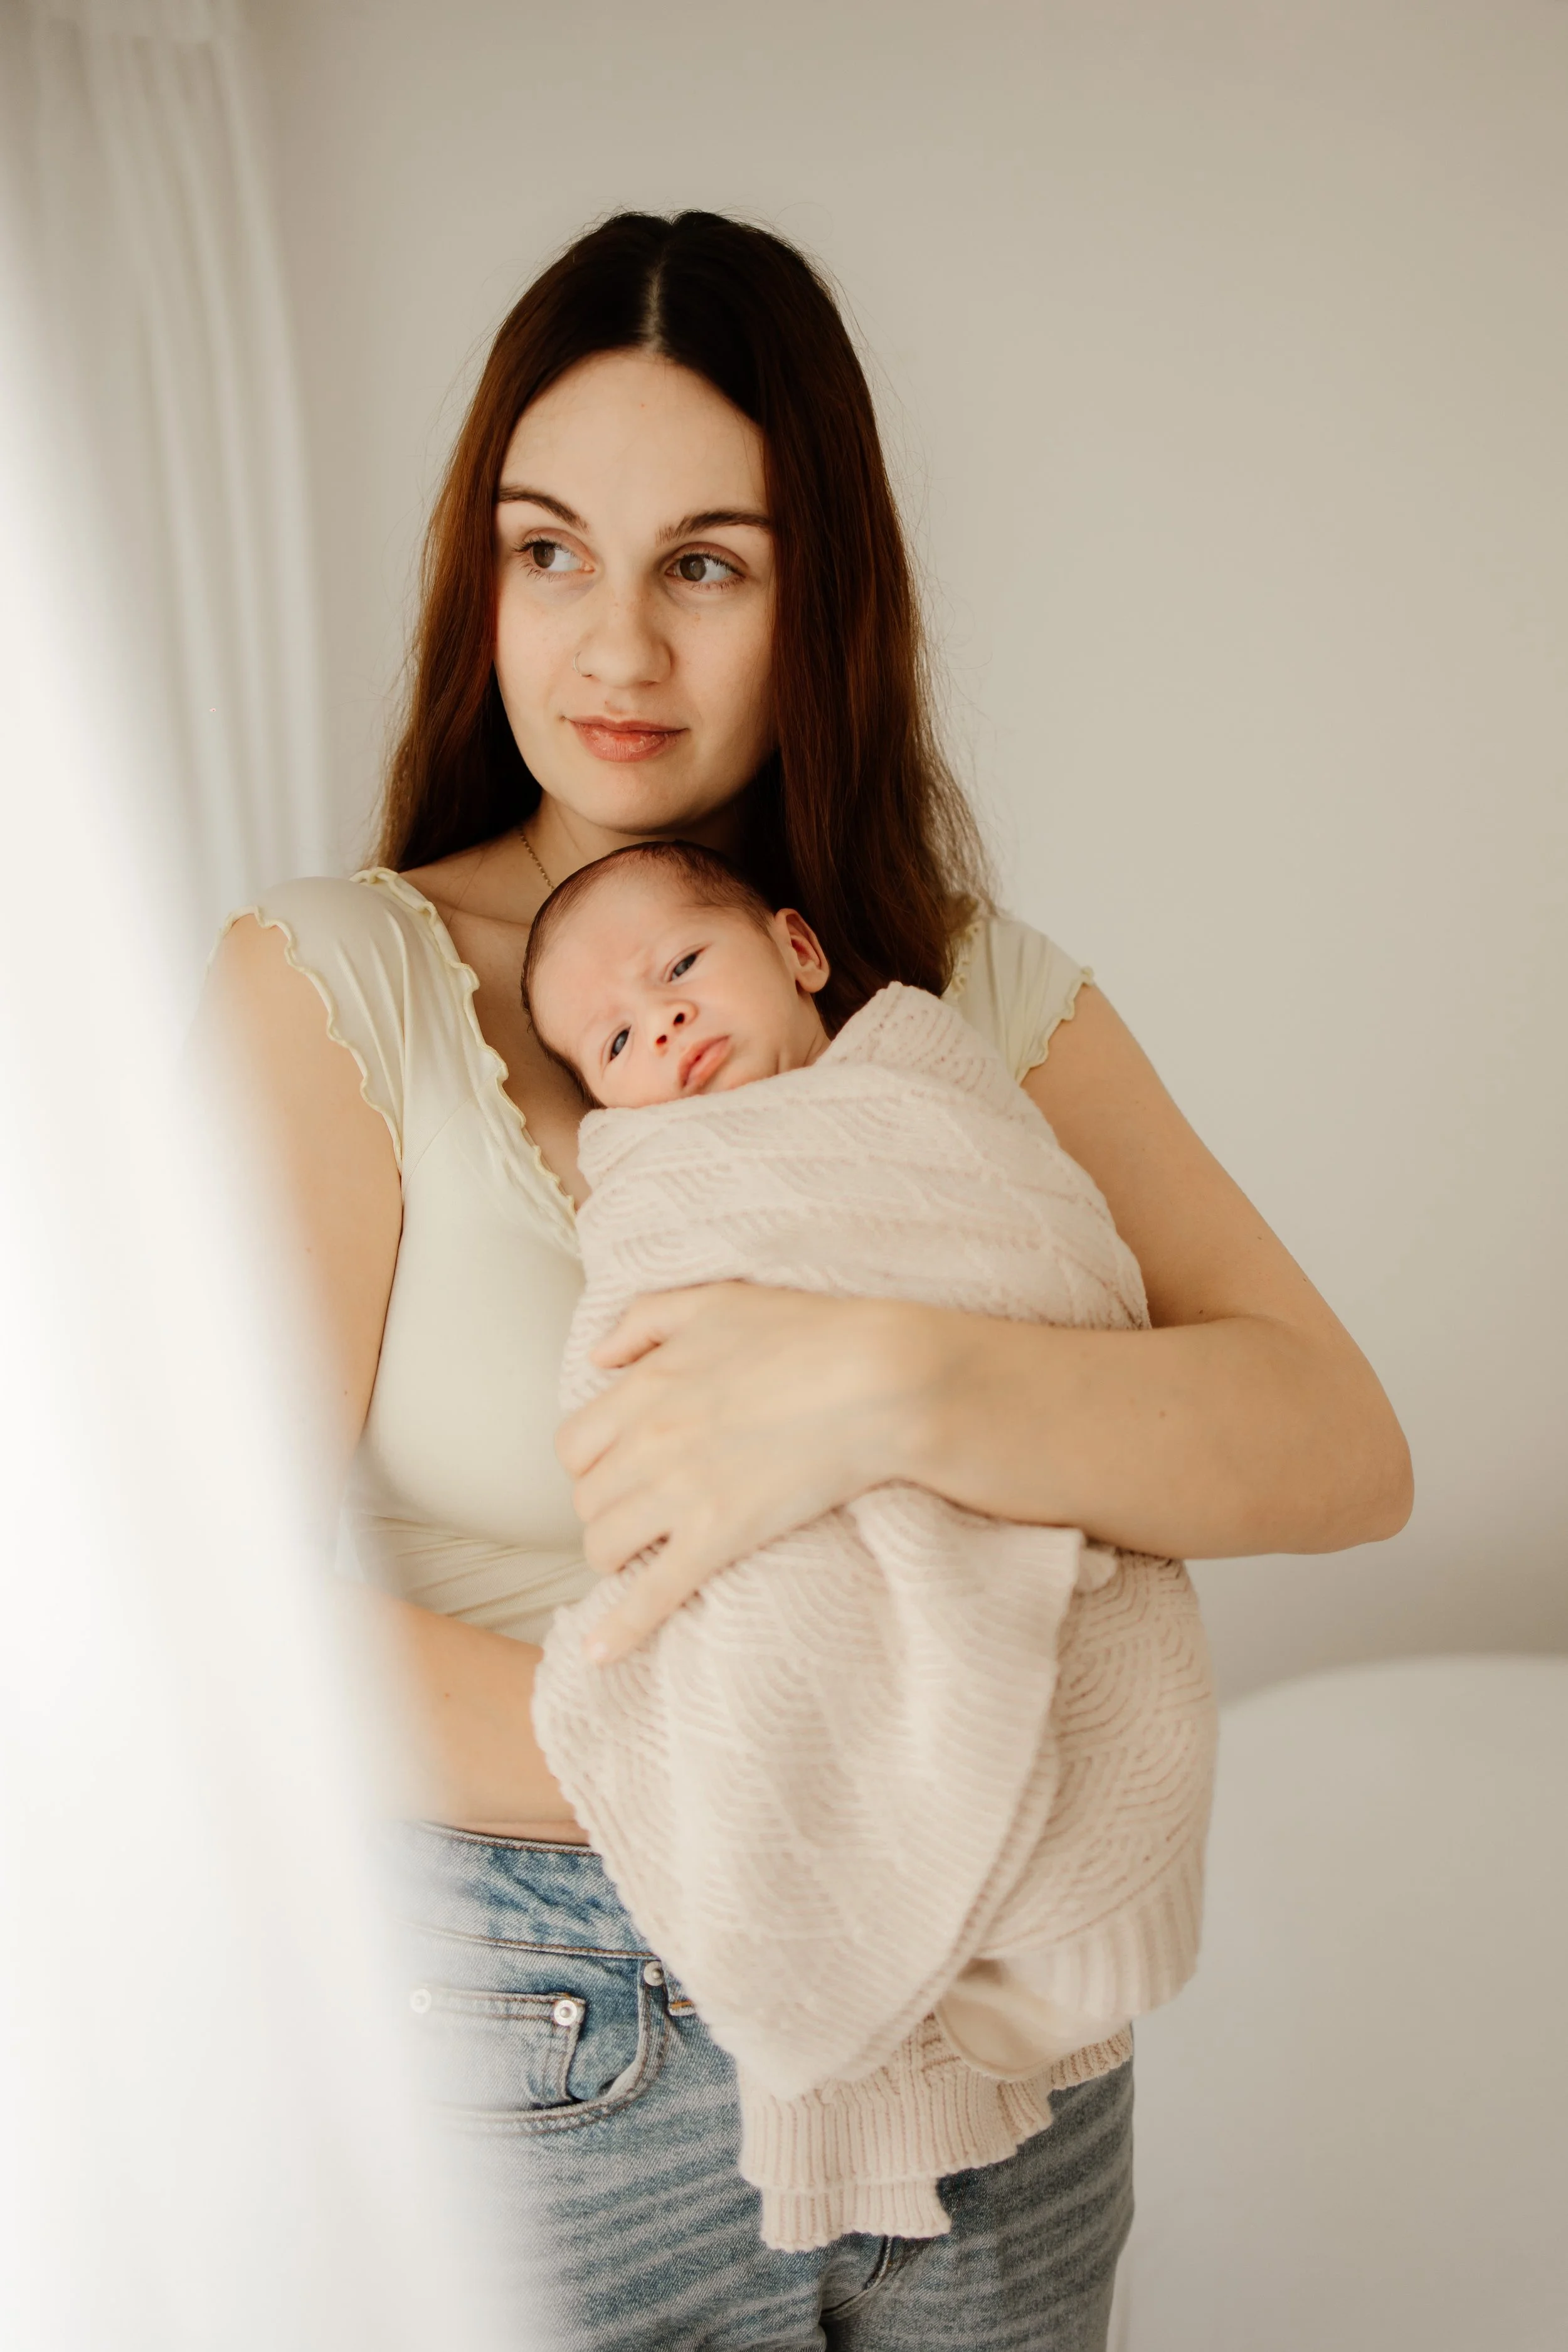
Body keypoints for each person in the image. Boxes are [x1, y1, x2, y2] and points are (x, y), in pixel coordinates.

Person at [199, 211, 1412, 2350]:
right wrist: (785, 1782)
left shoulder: (971, 993)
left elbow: (1335, 1445)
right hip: (552, 2035)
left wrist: (881, 1383)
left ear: (815, 593)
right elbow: (195, 1616)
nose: (616, 652)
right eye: (550, 549)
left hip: (995, 2054)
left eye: (707, 563)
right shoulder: (340, 984)